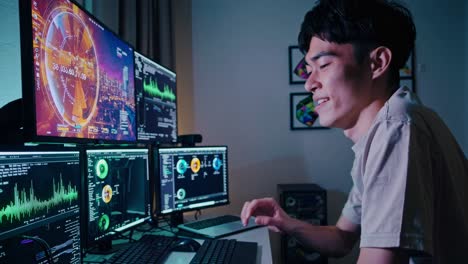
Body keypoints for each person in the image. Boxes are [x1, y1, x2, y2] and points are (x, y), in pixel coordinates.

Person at [240, 0, 468, 263]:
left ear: (377, 62)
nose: (309, 84)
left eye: (323, 65)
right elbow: (341, 239)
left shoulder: (395, 128)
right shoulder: (396, 124)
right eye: (309, 70)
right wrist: (287, 222)